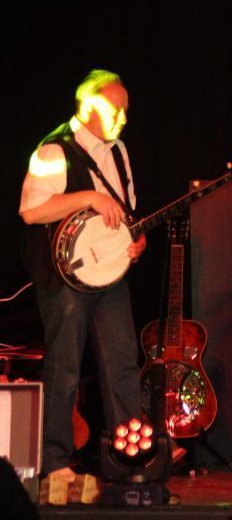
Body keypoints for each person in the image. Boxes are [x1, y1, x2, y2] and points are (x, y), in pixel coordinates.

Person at [20, 69, 146, 483]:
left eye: (126, 110)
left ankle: (129, 460)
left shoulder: (119, 151)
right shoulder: (53, 151)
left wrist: (136, 238)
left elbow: (126, 211)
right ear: (90, 106)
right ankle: (55, 462)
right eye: (116, 110)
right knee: (65, 366)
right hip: (65, 277)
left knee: (123, 366)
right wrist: (89, 196)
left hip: (110, 274)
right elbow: (31, 211)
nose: (123, 119)